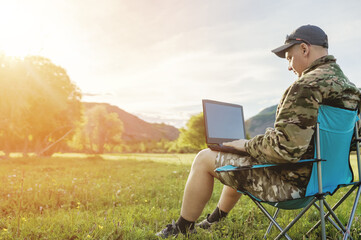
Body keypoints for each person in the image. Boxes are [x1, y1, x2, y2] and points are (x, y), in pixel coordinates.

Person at [156, 24, 361, 238]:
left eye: (289, 58)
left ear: (304, 49)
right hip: (327, 181)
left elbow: (285, 150)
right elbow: (351, 140)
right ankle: (214, 220)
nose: (289, 67)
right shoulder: (351, 91)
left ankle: (181, 228)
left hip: (292, 186)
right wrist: (250, 147)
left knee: (203, 158)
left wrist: (246, 145)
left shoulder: (305, 86)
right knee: (239, 158)